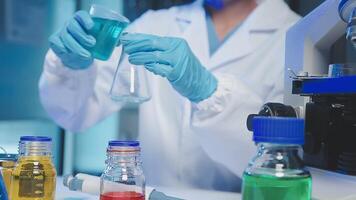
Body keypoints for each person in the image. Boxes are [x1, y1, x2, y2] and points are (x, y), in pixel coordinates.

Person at [40, 0, 300, 191]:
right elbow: (74, 114)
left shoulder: (295, 35)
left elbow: (283, 160)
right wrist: (72, 67)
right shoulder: (156, 23)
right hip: (153, 194)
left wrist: (209, 92)